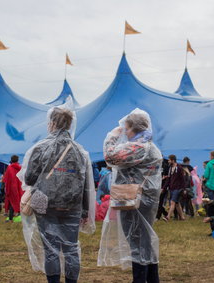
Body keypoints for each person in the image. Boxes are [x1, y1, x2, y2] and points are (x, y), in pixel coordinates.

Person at [18, 106, 95, 283]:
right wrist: (85, 211)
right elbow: (86, 185)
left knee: (51, 248)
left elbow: (29, 178)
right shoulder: (80, 152)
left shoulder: (40, 148)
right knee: (71, 248)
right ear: (69, 125)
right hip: (72, 205)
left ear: (51, 123)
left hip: (46, 204)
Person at [98, 109, 162, 283]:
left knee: (136, 241)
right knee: (145, 240)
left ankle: (140, 280)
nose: (124, 132)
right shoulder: (151, 145)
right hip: (145, 199)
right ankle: (152, 279)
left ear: (134, 128)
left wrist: (111, 136)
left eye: (126, 129)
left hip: (135, 199)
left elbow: (110, 156)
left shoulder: (139, 146)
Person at [163, 155, 186, 221]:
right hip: (171, 188)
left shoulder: (179, 168)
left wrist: (184, 189)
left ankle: (168, 217)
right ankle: (182, 217)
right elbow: (168, 180)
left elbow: (182, 179)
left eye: (169, 160)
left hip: (178, 188)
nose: (168, 161)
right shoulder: (170, 168)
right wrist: (164, 188)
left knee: (172, 202)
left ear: (173, 160)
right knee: (177, 203)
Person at [3, 155, 23, 223]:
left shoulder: (9, 168)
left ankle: (11, 218)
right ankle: (19, 215)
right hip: (19, 187)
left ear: (11, 160)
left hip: (11, 188)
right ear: (18, 160)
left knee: (12, 202)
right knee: (19, 201)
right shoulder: (20, 168)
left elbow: (6, 179)